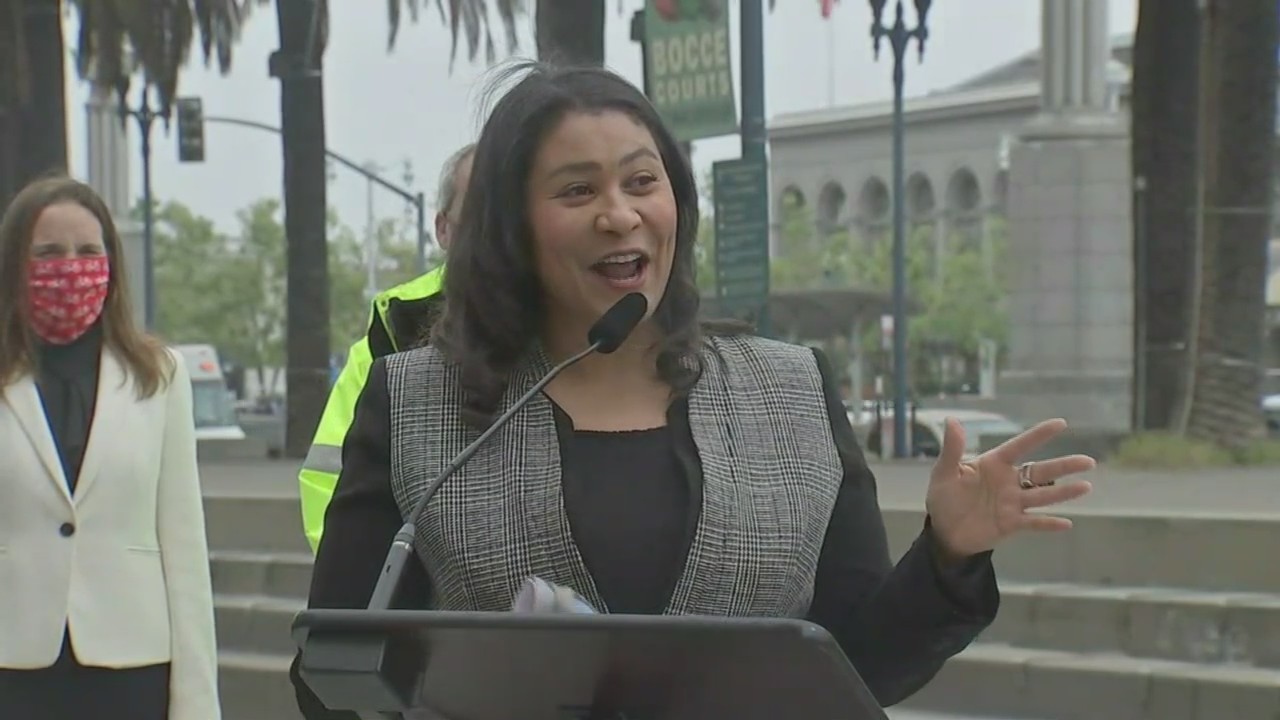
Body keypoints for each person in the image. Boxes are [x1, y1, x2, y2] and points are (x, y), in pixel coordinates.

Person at [291, 62, 1095, 717]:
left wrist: (949, 553)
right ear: (510, 226)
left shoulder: (790, 392)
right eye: (577, 191)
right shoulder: (420, 403)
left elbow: (861, 670)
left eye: (643, 182)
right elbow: (330, 674)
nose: (620, 215)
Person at [0, 176, 220, 719]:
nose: (70, 268)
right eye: (49, 253)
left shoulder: (159, 375)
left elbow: (184, 544)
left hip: (133, 665)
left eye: (88, 251)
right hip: (14, 665)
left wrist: (196, 704)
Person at [297, 143, 474, 552]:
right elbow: (328, 480)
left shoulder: (583, 325)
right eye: (481, 216)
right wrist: (366, 594)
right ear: (443, 228)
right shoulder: (389, 340)